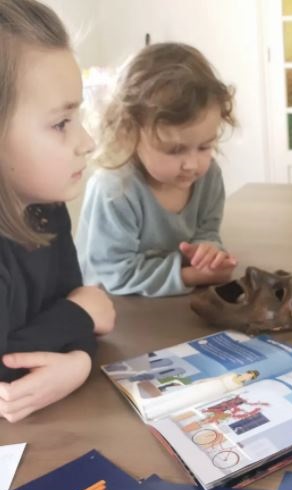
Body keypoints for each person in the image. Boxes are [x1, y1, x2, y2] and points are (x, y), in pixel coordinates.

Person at [0, 0, 115, 422]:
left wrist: (79, 361)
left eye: (77, 116)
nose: (87, 142)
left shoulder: (48, 210)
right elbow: (81, 312)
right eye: (61, 123)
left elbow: (76, 314)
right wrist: (80, 316)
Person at [75, 42, 238, 297]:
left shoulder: (209, 177)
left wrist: (207, 252)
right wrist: (190, 276)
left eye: (205, 147)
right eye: (174, 150)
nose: (192, 164)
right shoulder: (115, 190)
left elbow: (207, 231)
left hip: (165, 302)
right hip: (109, 305)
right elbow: (115, 274)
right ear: (129, 135)